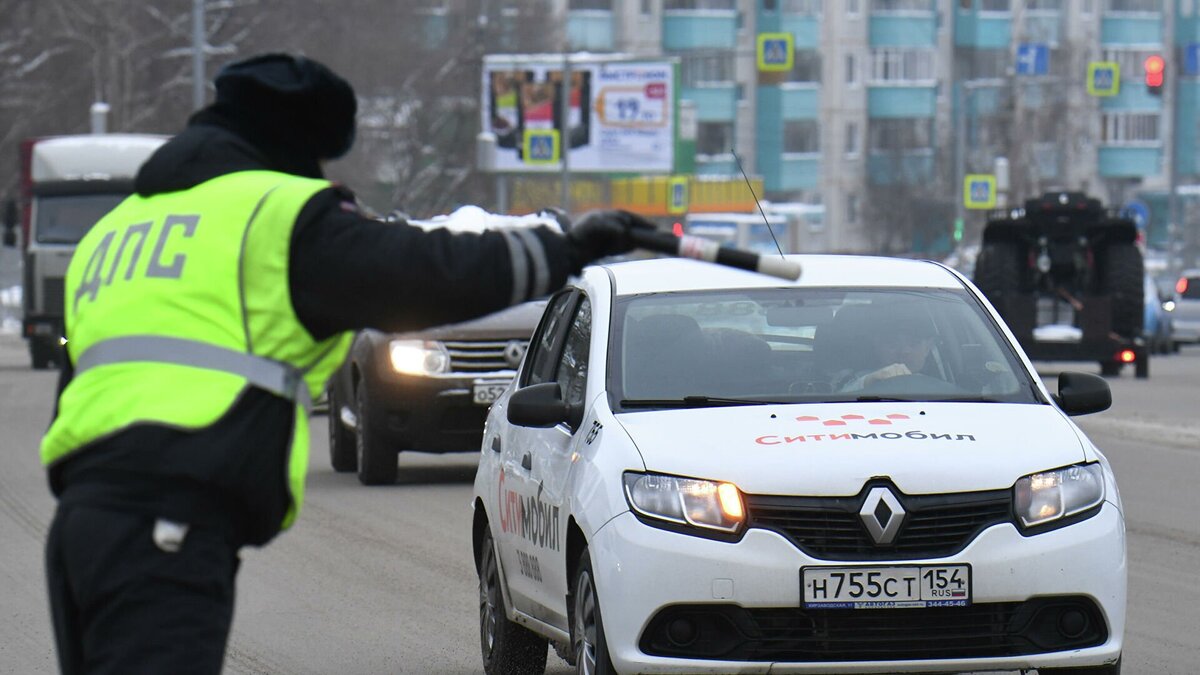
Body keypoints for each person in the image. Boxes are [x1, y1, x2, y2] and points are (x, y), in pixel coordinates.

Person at [40, 52, 652, 675]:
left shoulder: (114, 235)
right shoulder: (274, 216)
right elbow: (427, 273)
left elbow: (80, 390)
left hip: (80, 529)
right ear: (295, 142)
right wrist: (562, 248)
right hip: (165, 529)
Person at [836, 311, 938, 392]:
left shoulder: (943, 386)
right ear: (877, 345)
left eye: (914, 343)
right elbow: (833, 405)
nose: (904, 351)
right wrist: (869, 382)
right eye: (893, 343)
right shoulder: (851, 378)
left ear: (928, 348)